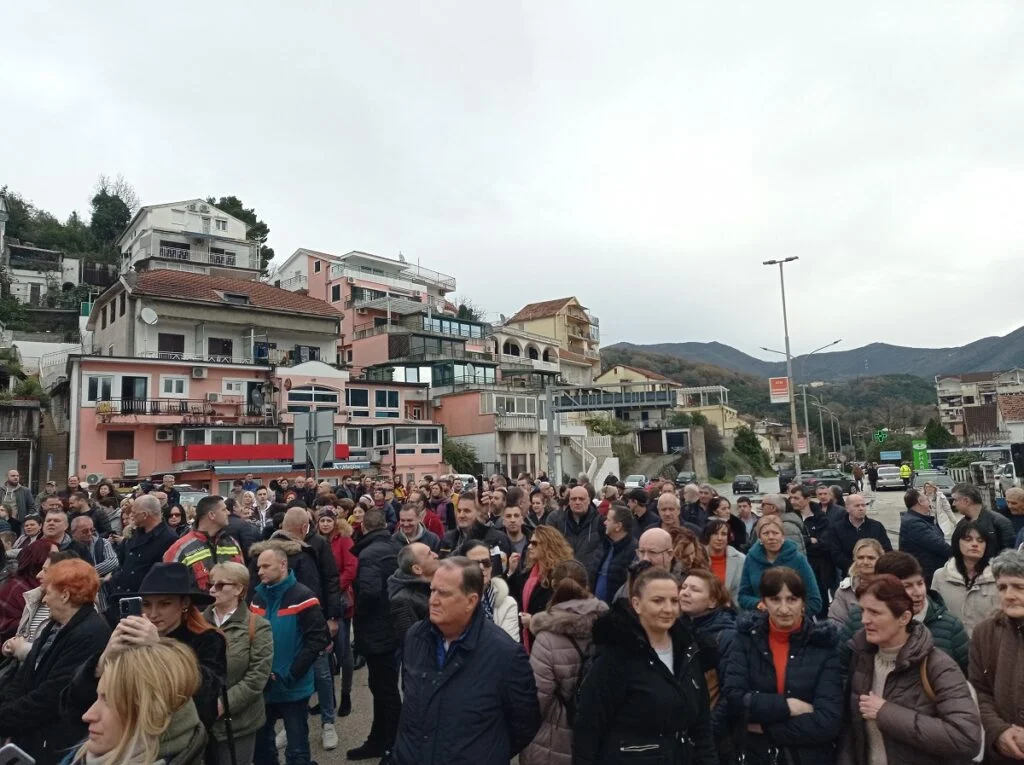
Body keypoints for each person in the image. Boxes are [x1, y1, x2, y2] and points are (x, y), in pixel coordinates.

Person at [392, 557, 541, 765]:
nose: (433, 600)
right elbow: (410, 702)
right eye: (432, 590)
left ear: (470, 601)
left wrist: (484, 753)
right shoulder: (416, 637)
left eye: (443, 593)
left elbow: (525, 724)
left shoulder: (505, 654)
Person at [573, 566, 716, 765]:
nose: (668, 609)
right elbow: (588, 729)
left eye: (674, 601)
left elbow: (702, 728)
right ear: (637, 604)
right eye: (658, 601)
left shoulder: (689, 653)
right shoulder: (616, 658)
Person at [839, 573, 982, 765]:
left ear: (904, 617)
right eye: (863, 610)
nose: (864, 619)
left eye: (875, 612)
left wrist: (885, 712)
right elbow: (852, 732)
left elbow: (965, 738)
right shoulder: (862, 656)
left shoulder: (938, 665)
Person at [723, 567, 842, 765]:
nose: (784, 609)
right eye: (775, 599)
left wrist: (766, 727)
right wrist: (790, 706)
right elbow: (735, 699)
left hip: (808, 757)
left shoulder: (823, 646)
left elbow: (828, 721)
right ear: (764, 602)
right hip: (757, 756)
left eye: (792, 599)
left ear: (803, 603)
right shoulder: (746, 639)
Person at [0, 559, 111, 765]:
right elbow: (24, 677)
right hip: (29, 734)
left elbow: (52, 697)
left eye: (48, 593)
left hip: (53, 745)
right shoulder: (55, 625)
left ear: (65, 594)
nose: (44, 601)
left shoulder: (91, 634)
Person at [61, 638, 206, 765]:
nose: (87, 715)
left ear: (152, 713)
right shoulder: (83, 755)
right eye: (97, 697)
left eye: (109, 701)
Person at [520, 559, 607, 765]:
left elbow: (537, 700)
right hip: (598, 736)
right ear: (587, 586)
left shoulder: (547, 638)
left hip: (554, 740)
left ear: (553, 587)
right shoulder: (608, 628)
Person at [251, 546, 330, 765]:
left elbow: (317, 640)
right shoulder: (257, 598)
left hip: (292, 687)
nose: (260, 571)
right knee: (263, 750)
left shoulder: (303, 596)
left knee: (297, 751)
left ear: (283, 565)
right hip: (264, 688)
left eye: (266, 566)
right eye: (258, 567)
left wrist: (292, 672)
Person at [839, 552, 970, 673]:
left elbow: (965, 680)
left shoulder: (950, 626)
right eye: (907, 586)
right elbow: (841, 668)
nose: (918, 592)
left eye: (920, 583)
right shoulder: (859, 619)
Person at [202, 561, 273, 765]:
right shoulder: (197, 622)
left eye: (220, 585)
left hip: (238, 724)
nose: (213, 590)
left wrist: (223, 704)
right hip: (200, 724)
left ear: (239, 589)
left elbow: (257, 677)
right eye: (211, 585)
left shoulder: (257, 626)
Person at [348, 507, 402, 762]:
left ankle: (392, 745)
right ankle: (379, 739)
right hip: (392, 625)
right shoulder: (395, 547)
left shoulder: (369, 554)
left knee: (384, 689)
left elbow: (369, 592)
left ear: (365, 528)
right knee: (383, 686)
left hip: (377, 628)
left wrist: (358, 614)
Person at [968, 549, 1024, 764]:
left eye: (1019, 587)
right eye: (1002, 587)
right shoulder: (985, 633)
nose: (1009, 595)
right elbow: (979, 691)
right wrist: (998, 732)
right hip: (1002, 754)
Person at [679, 568, 738, 745]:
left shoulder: (727, 636)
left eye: (695, 590)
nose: (685, 593)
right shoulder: (675, 629)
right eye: (684, 587)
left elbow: (730, 693)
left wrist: (707, 732)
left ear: (712, 601)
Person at [103, 495, 177, 625]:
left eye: (134, 512)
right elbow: (122, 560)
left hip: (142, 605)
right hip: (118, 598)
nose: (131, 515)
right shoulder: (134, 533)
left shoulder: (168, 539)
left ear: (144, 515)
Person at [315, 507, 358, 717]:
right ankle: (328, 697)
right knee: (325, 652)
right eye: (321, 520)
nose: (325, 524)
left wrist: (332, 588)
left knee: (342, 650)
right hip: (321, 603)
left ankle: (347, 694)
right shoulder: (315, 541)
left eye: (328, 521)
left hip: (340, 601)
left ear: (335, 522)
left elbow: (351, 568)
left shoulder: (344, 540)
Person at [738, 516, 822, 615]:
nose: (771, 537)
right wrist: (758, 604)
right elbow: (743, 596)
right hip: (760, 621)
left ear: (783, 536)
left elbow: (815, 601)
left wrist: (792, 611)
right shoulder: (751, 559)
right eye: (766, 533)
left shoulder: (798, 559)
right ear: (759, 538)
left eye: (775, 533)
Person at [511, 524, 576, 653]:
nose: (529, 547)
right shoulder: (529, 573)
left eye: (535, 543)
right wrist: (511, 572)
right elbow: (514, 595)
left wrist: (534, 621)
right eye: (530, 543)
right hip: (528, 641)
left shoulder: (561, 577)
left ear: (548, 545)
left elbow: (565, 616)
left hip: (551, 646)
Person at [931, 519, 999, 636]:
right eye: (968, 539)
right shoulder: (941, 576)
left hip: (988, 644)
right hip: (953, 644)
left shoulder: (998, 577)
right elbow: (934, 614)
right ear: (957, 542)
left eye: (980, 541)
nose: (974, 544)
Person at [163, 496, 243, 592]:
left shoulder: (232, 543)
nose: (228, 513)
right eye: (224, 509)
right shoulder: (180, 548)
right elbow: (168, 589)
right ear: (212, 515)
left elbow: (243, 580)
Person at [462, 540, 520, 640]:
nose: (481, 567)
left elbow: (510, 646)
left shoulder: (507, 603)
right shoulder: (452, 600)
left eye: (486, 563)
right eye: (474, 563)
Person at [791, 485, 834, 615]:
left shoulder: (821, 518)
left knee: (820, 603)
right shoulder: (791, 518)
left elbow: (825, 544)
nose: (793, 501)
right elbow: (791, 542)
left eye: (796, 498)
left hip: (819, 570)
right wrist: (810, 540)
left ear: (807, 498)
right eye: (791, 498)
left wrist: (806, 543)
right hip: (796, 570)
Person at [543, 485, 605, 571]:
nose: (577, 502)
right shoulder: (556, 519)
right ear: (569, 501)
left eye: (581, 499)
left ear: (589, 501)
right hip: (563, 575)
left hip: (590, 576)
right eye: (574, 499)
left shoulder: (600, 521)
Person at [388, 541, 439, 646]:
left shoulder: (435, 587)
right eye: (429, 554)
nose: (436, 555)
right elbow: (411, 643)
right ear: (417, 569)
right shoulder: (402, 600)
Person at [0, 537, 51, 641]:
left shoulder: (54, 589)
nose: (59, 559)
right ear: (39, 558)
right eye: (52, 554)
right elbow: (6, 625)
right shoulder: (15, 588)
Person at [900, 488, 954, 586]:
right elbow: (937, 545)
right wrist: (957, 553)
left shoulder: (921, 519)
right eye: (926, 499)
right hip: (925, 574)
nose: (929, 502)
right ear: (920, 502)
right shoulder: (914, 523)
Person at [828, 494, 892, 575]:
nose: (861, 508)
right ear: (847, 508)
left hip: (875, 573)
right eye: (857, 506)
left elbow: (887, 550)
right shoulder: (836, 529)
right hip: (849, 574)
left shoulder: (877, 526)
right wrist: (856, 568)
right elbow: (836, 554)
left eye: (863, 505)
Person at [829, 538, 883, 628]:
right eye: (861, 558)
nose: (865, 562)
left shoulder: (891, 588)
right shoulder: (845, 591)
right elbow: (835, 622)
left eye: (871, 558)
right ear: (855, 560)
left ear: (880, 559)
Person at [440, 491, 512, 557]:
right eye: (459, 511)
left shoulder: (497, 538)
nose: (461, 515)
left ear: (479, 512)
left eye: (467, 511)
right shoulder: (449, 537)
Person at [591, 505, 637, 606]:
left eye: (608, 520)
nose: (604, 523)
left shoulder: (633, 551)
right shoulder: (604, 545)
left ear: (618, 526)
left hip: (616, 613)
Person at [951, 483, 1016, 555]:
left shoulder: (999, 522)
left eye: (955, 500)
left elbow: (1009, 557)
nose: (953, 504)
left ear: (966, 501)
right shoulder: (961, 524)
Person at [703, 517, 745, 605]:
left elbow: (741, 591)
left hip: (731, 611)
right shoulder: (697, 557)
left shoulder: (741, 559)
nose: (719, 538)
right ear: (708, 535)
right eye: (715, 534)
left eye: (724, 534)